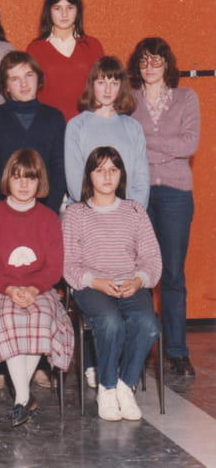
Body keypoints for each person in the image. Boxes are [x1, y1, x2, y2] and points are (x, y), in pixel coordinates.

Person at [0, 149, 73, 427]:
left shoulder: (49, 218)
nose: (24, 184)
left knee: (40, 317)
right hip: (0, 288)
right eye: (17, 177)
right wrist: (10, 289)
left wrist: (34, 289)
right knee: (10, 319)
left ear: (40, 182)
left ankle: (21, 399)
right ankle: (24, 396)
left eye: (31, 178)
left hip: (40, 288)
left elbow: (54, 267)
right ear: (7, 180)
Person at [63, 146, 162, 422]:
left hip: (129, 283)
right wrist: (94, 282)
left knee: (148, 323)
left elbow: (152, 258)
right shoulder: (76, 213)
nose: (107, 176)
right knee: (110, 322)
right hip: (91, 286)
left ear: (121, 175)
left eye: (113, 170)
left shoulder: (135, 211)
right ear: (89, 176)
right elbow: (69, 263)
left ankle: (125, 386)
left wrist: (138, 280)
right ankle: (106, 388)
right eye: (100, 170)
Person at [128, 37, 200, 376]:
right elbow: (127, 146)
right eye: (144, 60)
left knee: (171, 274)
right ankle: (141, 348)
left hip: (175, 195)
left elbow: (189, 144)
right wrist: (157, 147)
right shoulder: (129, 98)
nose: (150, 66)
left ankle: (177, 351)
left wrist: (145, 143)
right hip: (138, 194)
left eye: (157, 60)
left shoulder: (187, 97)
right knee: (139, 273)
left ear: (167, 64)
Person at [0, 51, 65, 213]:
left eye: (29, 75)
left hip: (45, 212)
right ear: (6, 86)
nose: (24, 84)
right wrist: (5, 213)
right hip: (4, 212)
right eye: (15, 79)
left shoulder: (55, 118)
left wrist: (48, 214)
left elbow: (60, 171)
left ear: (38, 78)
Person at [65, 56, 149, 207]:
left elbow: (141, 181)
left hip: (126, 213)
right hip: (86, 212)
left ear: (121, 87)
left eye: (114, 83)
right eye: (101, 83)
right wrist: (101, 212)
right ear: (92, 84)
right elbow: (75, 184)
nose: (108, 90)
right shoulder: (76, 126)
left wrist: (131, 213)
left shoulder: (133, 127)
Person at [26, 0, 104, 121]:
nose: (64, 14)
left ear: (78, 10)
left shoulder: (93, 45)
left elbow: (103, 89)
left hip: (87, 123)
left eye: (70, 8)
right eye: (57, 8)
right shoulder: (35, 49)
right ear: (49, 11)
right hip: (48, 124)